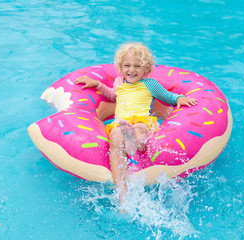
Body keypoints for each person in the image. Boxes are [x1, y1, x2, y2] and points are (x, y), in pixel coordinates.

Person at [75, 43, 197, 207]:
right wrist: (97, 85)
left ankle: (133, 143)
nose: (131, 70)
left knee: (139, 129)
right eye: (127, 65)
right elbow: (112, 96)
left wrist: (178, 99)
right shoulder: (119, 82)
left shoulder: (150, 84)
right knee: (114, 136)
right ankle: (123, 192)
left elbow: (167, 96)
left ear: (145, 69)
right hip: (122, 124)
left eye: (137, 66)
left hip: (142, 120)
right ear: (120, 67)